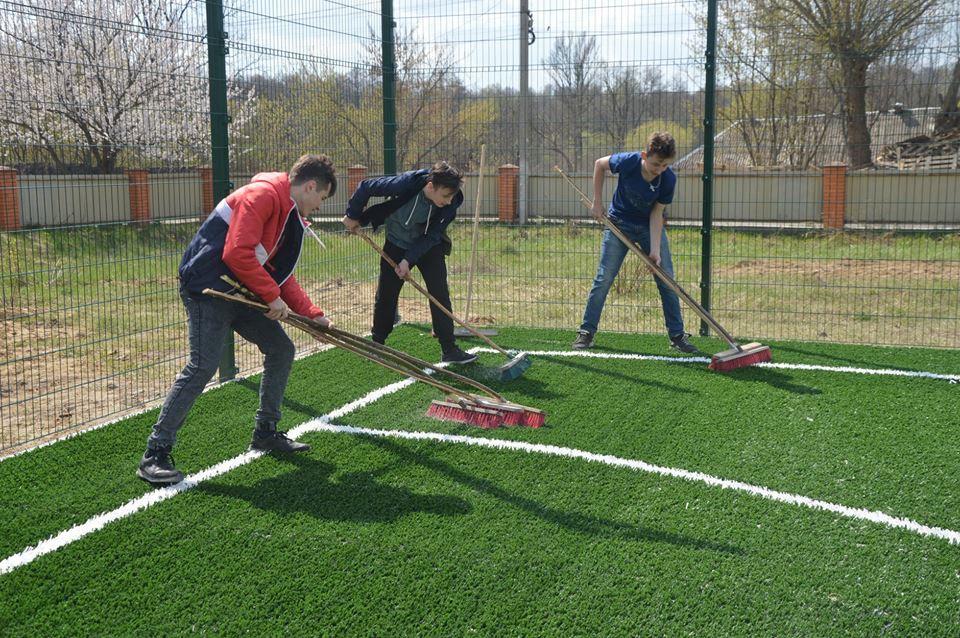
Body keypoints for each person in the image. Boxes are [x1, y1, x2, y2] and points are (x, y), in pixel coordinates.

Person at [137, 154, 337, 485]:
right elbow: (237, 253)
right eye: (322, 198)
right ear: (311, 186)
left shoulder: (287, 211)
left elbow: (279, 273)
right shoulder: (263, 195)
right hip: (209, 290)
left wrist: (313, 316)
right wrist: (271, 297)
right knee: (203, 365)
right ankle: (155, 453)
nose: (319, 206)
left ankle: (266, 432)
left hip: (240, 292)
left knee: (281, 349)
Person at [572, 132, 697, 354]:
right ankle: (586, 332)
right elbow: (599, 164)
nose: (659, 170)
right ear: (644, 155)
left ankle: (677, 336)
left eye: (665, 165)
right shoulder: (628, 161)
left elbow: (657, 214)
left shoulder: (668, 179)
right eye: (656, 164)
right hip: (618, 224)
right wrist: (597, 202)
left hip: (648, 227)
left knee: (666, 278)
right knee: (604, 278)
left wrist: (655, 251)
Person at [341, 161, 477, 364]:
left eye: (451, 196)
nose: (449, 201)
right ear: (430, 187)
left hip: (428, 246)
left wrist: (407, 260)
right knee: (386, 294)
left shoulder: (453, 202)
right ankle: (377, 344)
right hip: (396, 241)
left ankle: (449, 348)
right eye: (445, 196)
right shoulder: (407, 183)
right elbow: (365, 187)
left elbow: (432, 235)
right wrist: (353, 215)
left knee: (439, 293)